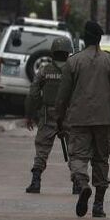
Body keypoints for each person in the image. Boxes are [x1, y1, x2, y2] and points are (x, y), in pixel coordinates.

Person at [56, 21, 110, 218]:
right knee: (101, 160)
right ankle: (98, 205)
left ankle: (82, 184)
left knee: (78, 157)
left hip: (78, 119)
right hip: (104, 120)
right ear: (99, 39)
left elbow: (62, 96)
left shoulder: (73, 62)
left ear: (84, 38)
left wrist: (59, 118)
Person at [25, 37, 74, 195]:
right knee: (75, 150)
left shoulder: (44, 70)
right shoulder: (73, 70)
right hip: (69, 115)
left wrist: (32, 113)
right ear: (68, 53)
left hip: (48, 115)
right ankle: (78, 183)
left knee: (42, 149)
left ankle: (36, 181)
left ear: (53, 52)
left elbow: (33, 93)